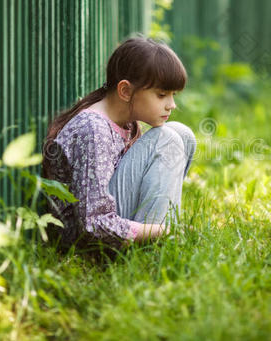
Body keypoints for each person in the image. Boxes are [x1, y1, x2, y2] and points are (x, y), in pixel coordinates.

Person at [42, 35, 197, 250]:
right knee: (167, 140)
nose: (171, 105)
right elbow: (93, 224)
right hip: (86, 244)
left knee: (182, 134)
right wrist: (163, 230)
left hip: (112, 221)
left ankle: (156, 236)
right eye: (162, 95)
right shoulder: (93, 129)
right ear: (125, 91)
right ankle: (156, 243)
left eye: (172, 95)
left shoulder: (127, 121)